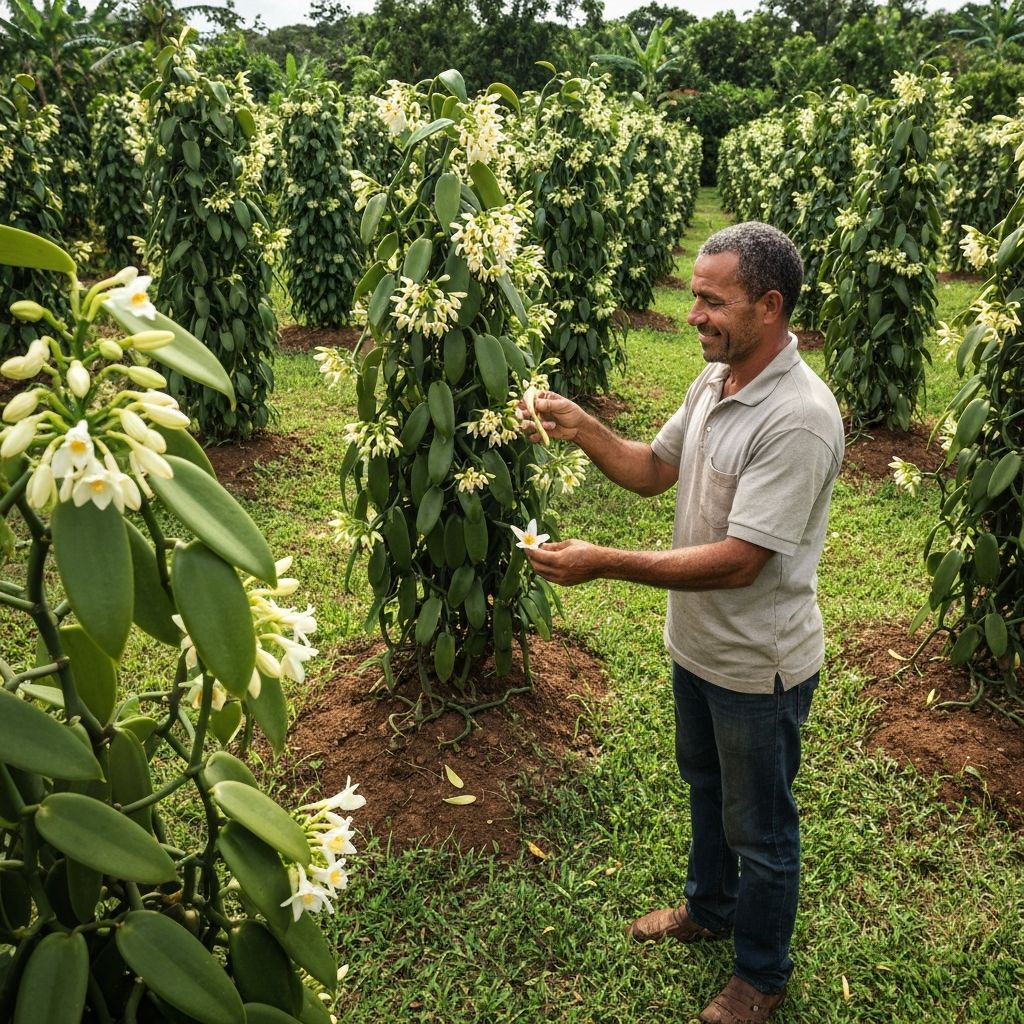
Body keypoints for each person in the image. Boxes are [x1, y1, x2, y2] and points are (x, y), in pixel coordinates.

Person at [518, 221, 844, 1024]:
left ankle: (760, 975)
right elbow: (654, 469)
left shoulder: (799, 417)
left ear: (769, 306)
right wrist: (583, 426)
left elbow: (741, 562)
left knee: (761, 830)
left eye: (712, 301)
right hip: (697, 647)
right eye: (693, 296)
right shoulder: (715, 381)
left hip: (758, 666)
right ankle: (708, 906)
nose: (693, 314)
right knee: (705, 787)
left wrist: (604, 562)